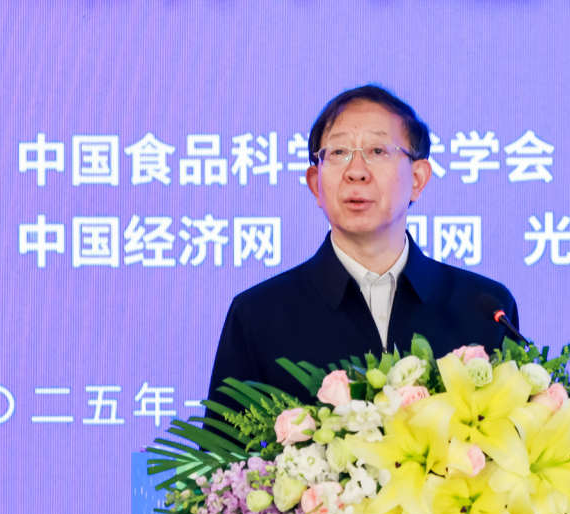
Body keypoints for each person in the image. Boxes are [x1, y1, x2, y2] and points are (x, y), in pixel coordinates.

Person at [205, 85, 520, 421]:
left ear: (417, 178)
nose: (356, 171)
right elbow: (223, 453)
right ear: (315, 183)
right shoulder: (260, 315)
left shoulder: (484, 308)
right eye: (338, 152)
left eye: (377, 150)